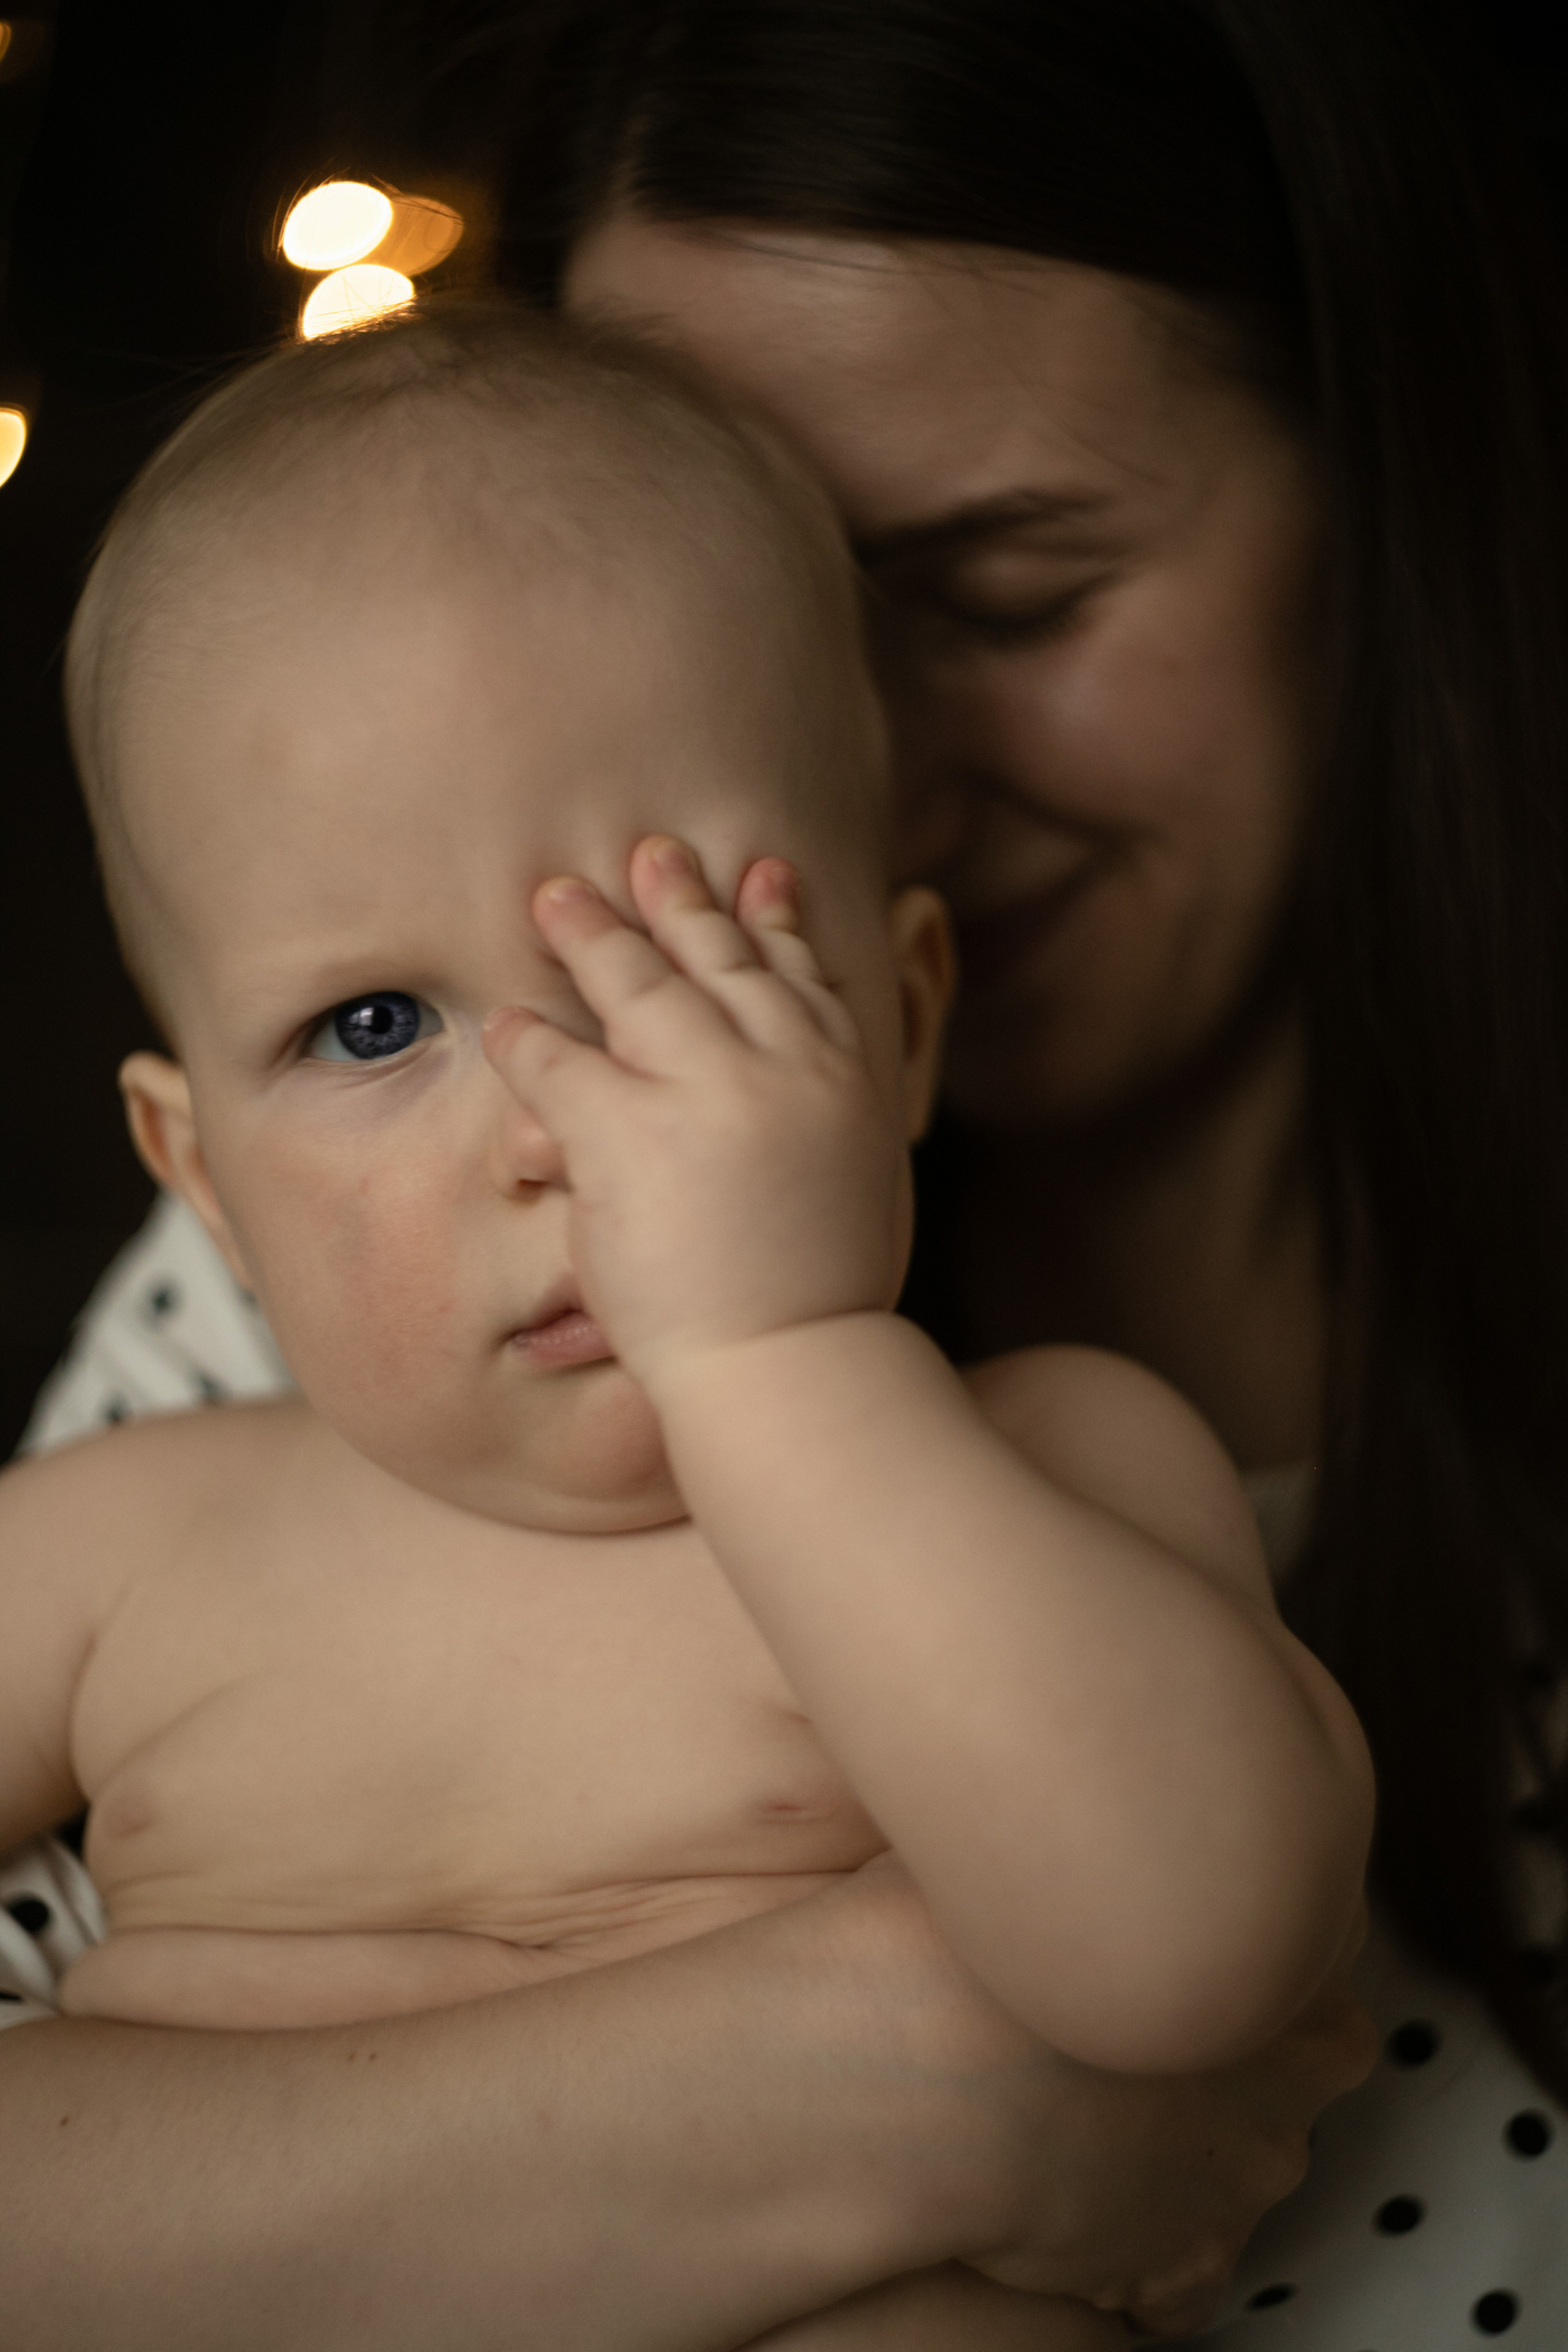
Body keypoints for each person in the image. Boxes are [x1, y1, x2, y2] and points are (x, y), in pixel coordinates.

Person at [15, 0, 1558, 2344]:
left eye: (1008, 588)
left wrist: (775, 1349)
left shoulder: (1039, 1468)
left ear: (903, 1007)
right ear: (199, 1167)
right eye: (369, 1025)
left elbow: (1190, 1947)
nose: (552, 1127)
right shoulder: (145, 1518)